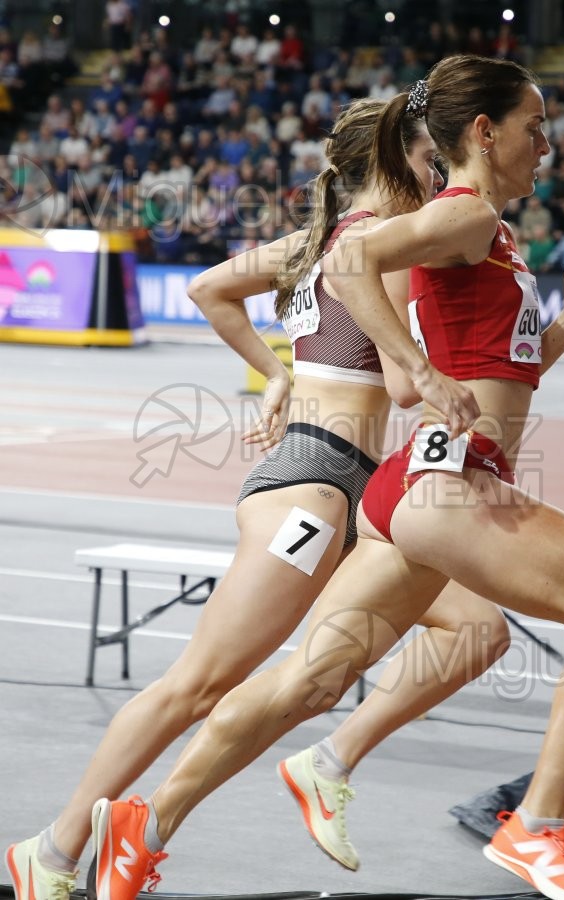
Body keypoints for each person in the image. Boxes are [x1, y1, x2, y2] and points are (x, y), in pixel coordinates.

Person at [84, 56, 564, 900]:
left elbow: (499, 370)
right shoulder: (462, 216)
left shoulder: (485, 230)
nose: (547, 145)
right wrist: (415, 373)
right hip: (444, 482)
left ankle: (148, 822)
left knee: (304, 681)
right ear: (482, 132)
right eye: (534, 128)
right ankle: (536, 826)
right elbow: (352, 262)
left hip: (412, 487)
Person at [5, 97, 511, 900]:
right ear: (392, 161)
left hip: (355, 496)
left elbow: (210, 287)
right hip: (313, 487)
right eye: (428, 162)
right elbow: (404, 392)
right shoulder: (373, 250)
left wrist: (279, 373)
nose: (439, 177)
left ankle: (330, 758)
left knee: (477, 627)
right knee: (198, 684)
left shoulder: (322, 241)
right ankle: (55, 850)